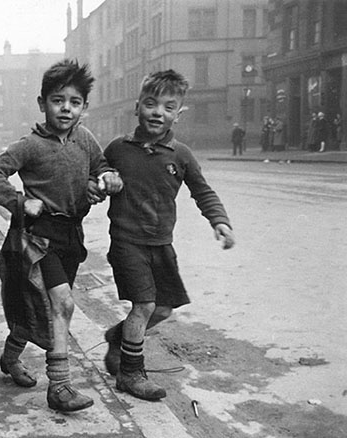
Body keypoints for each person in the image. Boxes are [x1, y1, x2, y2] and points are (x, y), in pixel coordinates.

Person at [0, 59, 123, 412]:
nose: (66, 108)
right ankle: (59, 387)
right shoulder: (29, 145)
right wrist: (20, 201)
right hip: (36, 238)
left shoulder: (85, 139)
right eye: (58, 100)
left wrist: (105, 181)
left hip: (70, 237)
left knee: (39, 307)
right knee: (62, 303)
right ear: (42, 103)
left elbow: (101, 168)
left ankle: (10, 358)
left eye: (74, 102)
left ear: (84, 108)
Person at [97, 70, 236, 401]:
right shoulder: (118, 148)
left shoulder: (181, 155)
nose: (158, 112)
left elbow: (203, 192)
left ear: (178, 113)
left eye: (168, 107)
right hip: (127, 241)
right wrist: (104, 180)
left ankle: (118, 337)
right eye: (150, 103)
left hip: (161, 244)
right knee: (144, 305)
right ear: (137, 107)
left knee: (163, 309)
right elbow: (96, 173)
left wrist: (220, 221)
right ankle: (131, 374)